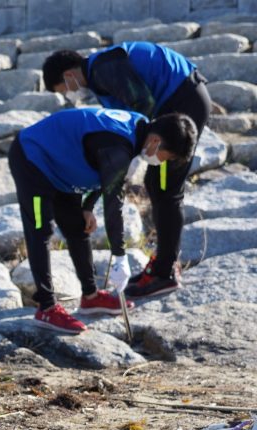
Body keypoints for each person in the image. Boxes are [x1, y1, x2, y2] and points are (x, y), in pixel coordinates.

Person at [42, 42, 212, 298]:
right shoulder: (101, 73)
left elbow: (143, 105)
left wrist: (130, 154)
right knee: (157, 184)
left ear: (69, 75)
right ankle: (163, 264)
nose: (69, 94)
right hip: (180, 102)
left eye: (64, 89)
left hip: (181, 104)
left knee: (165, 188)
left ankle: (165, 271)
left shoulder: (103, 69)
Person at [9, 107, 197, 334]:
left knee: (78, 227)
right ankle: (46, 308)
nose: (163, 162)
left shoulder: (140, 129)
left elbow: (105, 171)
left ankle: (90, 297)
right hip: (34, 159)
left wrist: (87, 207)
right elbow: (113, 204)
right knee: (40, 230)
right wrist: (119, 257)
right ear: (156, 141)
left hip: (64, 164)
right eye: (167, 156)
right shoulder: (118, 147)